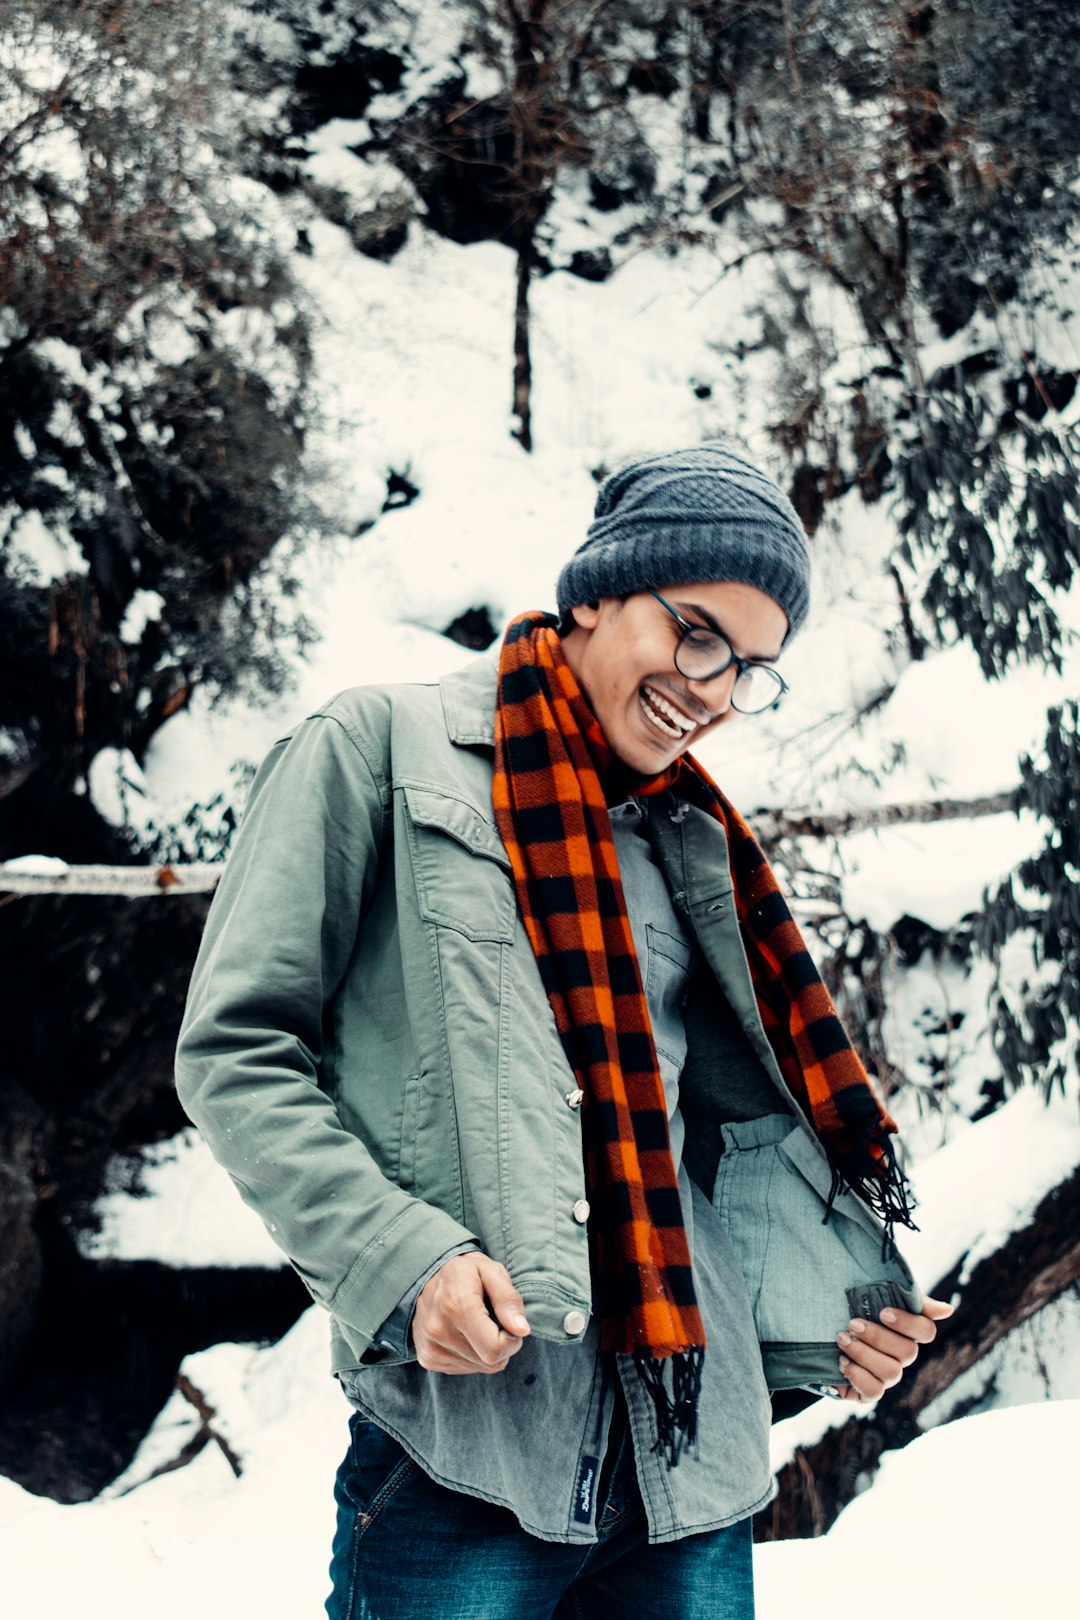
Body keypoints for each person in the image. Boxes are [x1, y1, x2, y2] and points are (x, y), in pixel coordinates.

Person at [175, 445, 952, 1620]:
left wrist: (821, 1322)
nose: (713, 689)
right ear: (598, 590)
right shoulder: (376, 750)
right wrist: (403, 1262)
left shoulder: (692, 842)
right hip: (470, 1453)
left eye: (750, 669)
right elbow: (237, 1052)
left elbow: (713, 1146)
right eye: (697, 635)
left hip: (693, 1464)